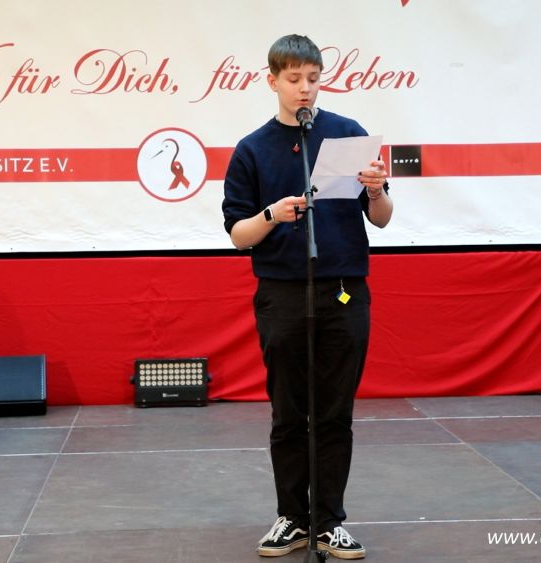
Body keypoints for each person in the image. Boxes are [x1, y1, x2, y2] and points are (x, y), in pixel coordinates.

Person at [221, 34, 393, 560]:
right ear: (272, 81)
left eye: (313, 79)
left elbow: (382, 219)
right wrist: (272, 214)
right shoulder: (252, 149)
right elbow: (238, 235)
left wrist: (376, 189)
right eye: (294, 79)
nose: (305, 89)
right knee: (290, 413)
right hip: (283, 294)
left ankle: (330, 521)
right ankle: (293, 518)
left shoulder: (348, 135)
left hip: (343, 290)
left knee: (335, 412)